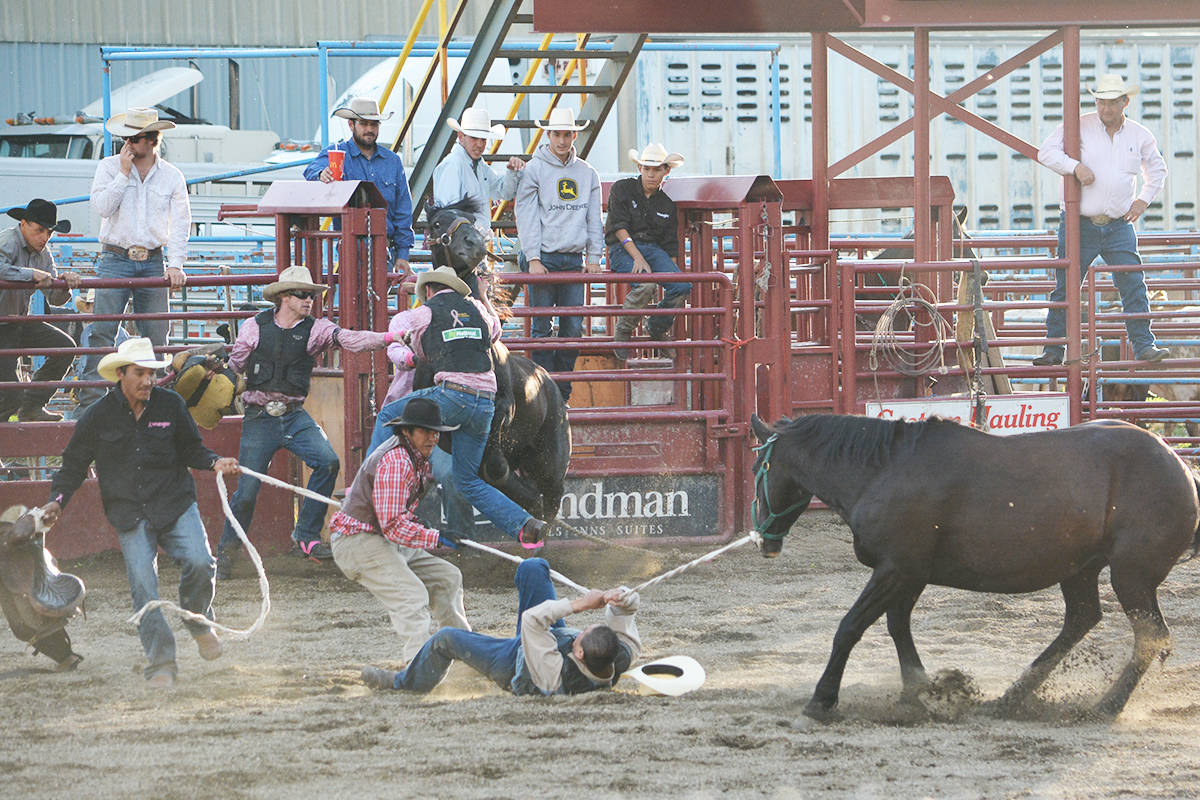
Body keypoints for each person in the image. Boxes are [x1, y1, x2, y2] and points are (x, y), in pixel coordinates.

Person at [40, 337, 240, 688]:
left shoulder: (172, 405)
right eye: (140, 373)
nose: (148, 380)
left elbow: (192, 449)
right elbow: (72, 464)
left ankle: (198, 622)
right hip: (129, 511)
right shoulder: (97, 416)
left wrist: (214, 462)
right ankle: (161, 661)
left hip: (174, 502)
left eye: (151, 373)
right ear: (121, 374)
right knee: (143, 587)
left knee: (201, 562)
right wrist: (57, 499)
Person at [216, 266, 394, 575]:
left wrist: (388, 337)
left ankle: (306, 535)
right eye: (302, 294)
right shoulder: (253, 327)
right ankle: (225, 555)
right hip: (259, 417)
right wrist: (217, 372)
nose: (309, 299)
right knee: (246, 492)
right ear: (284, 297)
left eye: (311, 295)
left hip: (293, 415)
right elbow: (236, 366)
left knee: (327, 462)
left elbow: (350, 339)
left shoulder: (316, 329)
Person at [369, 267, 546, 548]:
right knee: (467, 481)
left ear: (428, 290)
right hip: (486, 402)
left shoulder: (423, 313)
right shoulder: (475, 307)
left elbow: (410, 352)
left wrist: (419, 354)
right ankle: (524, 525)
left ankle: (369, 483)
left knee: (390, 415)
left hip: (453, 394)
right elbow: (495, 332)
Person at [1033, 73, 1169, 366]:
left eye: (1111, 102)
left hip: (1119, 222)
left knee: (1132, 282)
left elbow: (1157, 169)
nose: (1105, 108)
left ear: (1124, 102)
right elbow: (1046, 152)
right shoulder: (1078, 126)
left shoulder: (1140, 135)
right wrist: (1075, 166)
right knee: (1065, 286)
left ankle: (1144, 344)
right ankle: (1054, 349)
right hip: (1078, 222)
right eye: (1100, 101)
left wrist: (1143, 199)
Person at [361, 557, 639, 696]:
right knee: (533, 567)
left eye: (582, 636)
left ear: (578, 654)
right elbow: (626, 614)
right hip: (547, 638)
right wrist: (621, 597)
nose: (581, 631)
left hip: (514, 661)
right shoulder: (618, 655)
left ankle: (402, 684)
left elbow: (533, 620)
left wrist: (581, 604)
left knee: (445, 639)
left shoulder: (556, 676)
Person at [330, 398, 470, 662]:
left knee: (448, 577)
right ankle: (419, 665)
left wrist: (426, 529)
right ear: (407, 431)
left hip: (377, 538)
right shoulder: (397, 461)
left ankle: (467, 654)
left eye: (435, 432)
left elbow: (394, 521)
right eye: (425, 431)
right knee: (412, 597)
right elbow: (393, 525)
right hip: (358, 542)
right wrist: (436, 537)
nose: (432, 438)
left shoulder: (410, 455)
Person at [77, 107, 191, 412]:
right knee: (102, 331)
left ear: (152, 140)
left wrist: (176, 264)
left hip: (152, 259)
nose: (127, 143)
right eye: (125, 137)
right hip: (115, 255)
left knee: (156, 333)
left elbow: (181, 223)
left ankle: (156, 405)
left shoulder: (172, 176)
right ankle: (92, 407)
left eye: (135, 137)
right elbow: (102, 207)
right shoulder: (110, 167)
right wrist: (124, 175)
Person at [514, 107, 604, 403]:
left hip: (572, 258)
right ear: (548, 135)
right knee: (541, 327)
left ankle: (559, 393)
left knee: (572, 329)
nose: (563, 140)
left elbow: (594, 217)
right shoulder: (535, 169)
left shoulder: (588, 173)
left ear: (574, 135)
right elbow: (526, 215)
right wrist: (534, 257)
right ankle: (545, 394)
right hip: (545, 257)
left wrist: (594, 256)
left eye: (567, 134)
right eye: (557, 134)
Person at [304, 97, 414, 271]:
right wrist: (321, 173)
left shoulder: (393, 161)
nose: (369, 129)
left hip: (384, 250)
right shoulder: (336, 153)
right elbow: (312, 169)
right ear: (351, 125)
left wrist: (403, 255)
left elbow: (403, 210)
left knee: (370, 297)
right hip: (350, 249)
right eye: (364, 124)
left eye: (374, 124)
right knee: (354, 296)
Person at [606, 144, 692, 361]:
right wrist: (638, 257)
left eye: (656, 169)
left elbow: (669, 243)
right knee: (646, 284)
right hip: (622, 249)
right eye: (647, 168)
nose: (651, 174)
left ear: (666, 171)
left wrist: (671, 274)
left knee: (682, 285)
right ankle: (624, 329)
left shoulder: (667, 204)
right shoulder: (622, 189)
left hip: (652, 251)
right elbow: (618, 228)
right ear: (640, 168)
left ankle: (657, 325)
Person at [0, 199, 82, 421]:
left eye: (49, 232)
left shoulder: (43, 253)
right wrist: (31, 274)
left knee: (65, 347)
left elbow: (54, 298)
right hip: (3, 325)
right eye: (39, 230)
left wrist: (64, 284)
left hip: (16, 322)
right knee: (8, 393)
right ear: (23, 224)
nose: (45, 237)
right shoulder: (8, 240)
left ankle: (32, 405)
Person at [433, 107, 525, 237]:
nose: (480, 144)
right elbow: (449, 215)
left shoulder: (478, 166)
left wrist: (512, 172)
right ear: (461, 136)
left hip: (467, 245)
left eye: (483, 139)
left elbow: (504, 191)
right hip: (462, 246)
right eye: (474, 138)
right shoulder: (453, 165)